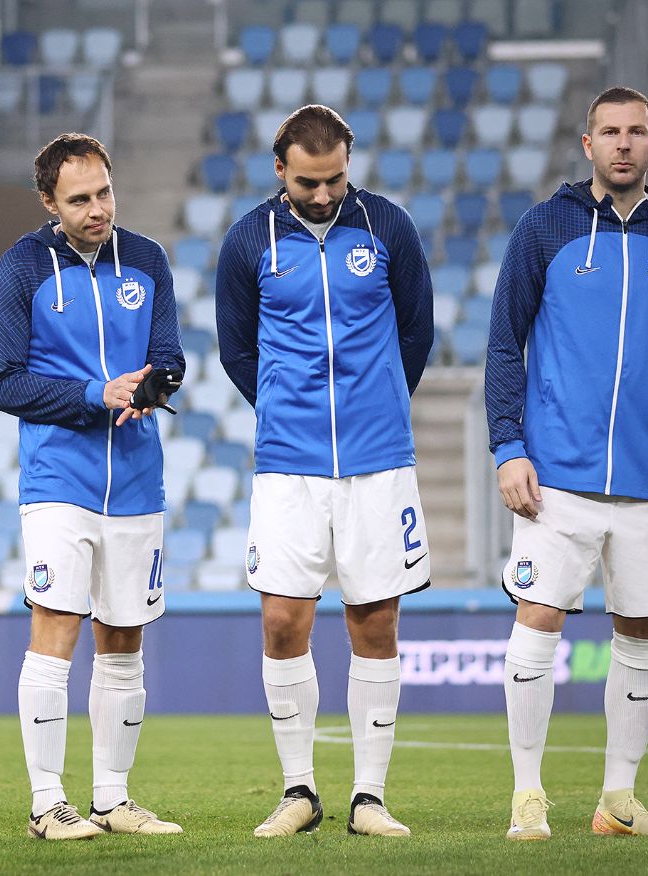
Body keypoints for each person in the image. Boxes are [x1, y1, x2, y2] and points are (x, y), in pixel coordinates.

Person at [486, 86, 648, 841]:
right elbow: (504, 343)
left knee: (643, 631)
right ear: (587, 144)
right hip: (555, 477)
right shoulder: (544, 228)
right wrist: (508, 447)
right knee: (538, 619)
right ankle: (528, 796)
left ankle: (618, 799)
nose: (624, 143)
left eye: (636, 131)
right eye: (610, 132)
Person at [215, 104, 434, 839]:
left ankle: (369, 797)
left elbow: (417, 331)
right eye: (308, 182)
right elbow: (237, 350)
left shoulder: (388, 226)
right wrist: (287, 406)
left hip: (379, 459)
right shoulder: (249, 239)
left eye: (335, 179)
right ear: (280, 170)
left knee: (376, 619)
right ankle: (299, 791)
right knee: (283, 620)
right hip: (289, 462)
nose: (322, 194)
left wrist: (378, 402)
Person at [0, 133, 186, 841]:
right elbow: (5, 382)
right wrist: (95, 394)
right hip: (58, 480)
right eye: (79, 200)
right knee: (57, 629)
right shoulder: (21, 266)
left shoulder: (149, 259)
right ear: (49, 202)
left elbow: (170, 357)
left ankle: (112, 800)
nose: (97, 209)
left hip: (136, 481)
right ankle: (47, 804)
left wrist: (153, 387)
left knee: (124, 639)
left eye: (104, 192)